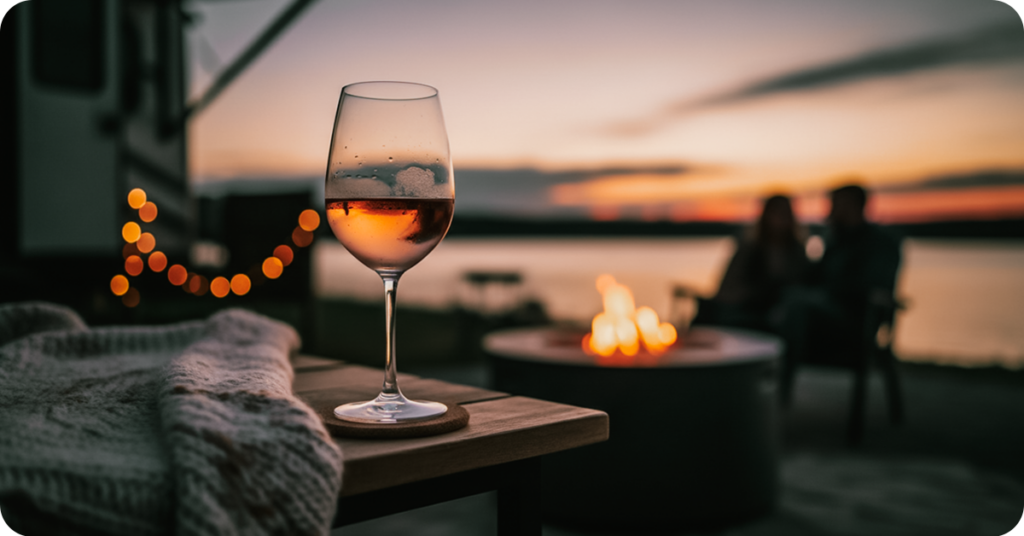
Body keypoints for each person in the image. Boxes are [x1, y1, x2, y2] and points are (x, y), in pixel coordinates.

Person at [775, 184, 902, 404]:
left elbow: (869, 288)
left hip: (856, 322)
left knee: (796, 305)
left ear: (855, 205)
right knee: (789, 300)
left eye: (835, 204)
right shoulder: (835, 240)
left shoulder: (880, 243)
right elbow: (811, 279)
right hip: (824, 316)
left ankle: (780, 395)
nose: (830, 210)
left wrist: (822, 294)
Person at [697, 195, 810, 331]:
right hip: (747, 315)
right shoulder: (750, 250)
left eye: (786, 213)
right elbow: (727, 290)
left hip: (780, 318)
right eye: (777, 212)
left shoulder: (797, 252)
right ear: (766, 216)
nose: (782, 218)